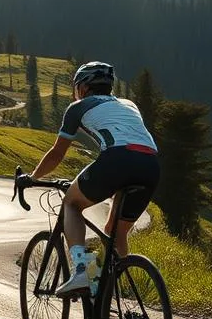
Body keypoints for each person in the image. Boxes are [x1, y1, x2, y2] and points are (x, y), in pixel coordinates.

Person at [23, 61, 160, 296]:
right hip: (151, 164)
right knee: (115, 232)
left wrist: (33, 177)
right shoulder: (129, 105)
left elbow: (57, 154)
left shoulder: (78, 107)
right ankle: (112, 296)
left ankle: (83, 271)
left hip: (118, 159)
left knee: (71, 203)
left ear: (84, 87)